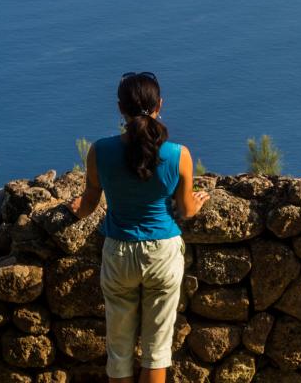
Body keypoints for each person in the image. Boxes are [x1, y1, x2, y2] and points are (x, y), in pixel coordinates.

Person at [71, 72, 207, 383]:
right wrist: (197, 204)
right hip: (163, 253)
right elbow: (185, 210)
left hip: (119, 251)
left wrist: (74, 209)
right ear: (160, 105)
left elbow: (88, 204)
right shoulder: (178, 154)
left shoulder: (100, 151)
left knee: (119, 351)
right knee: (156, 350)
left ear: (120, 108)